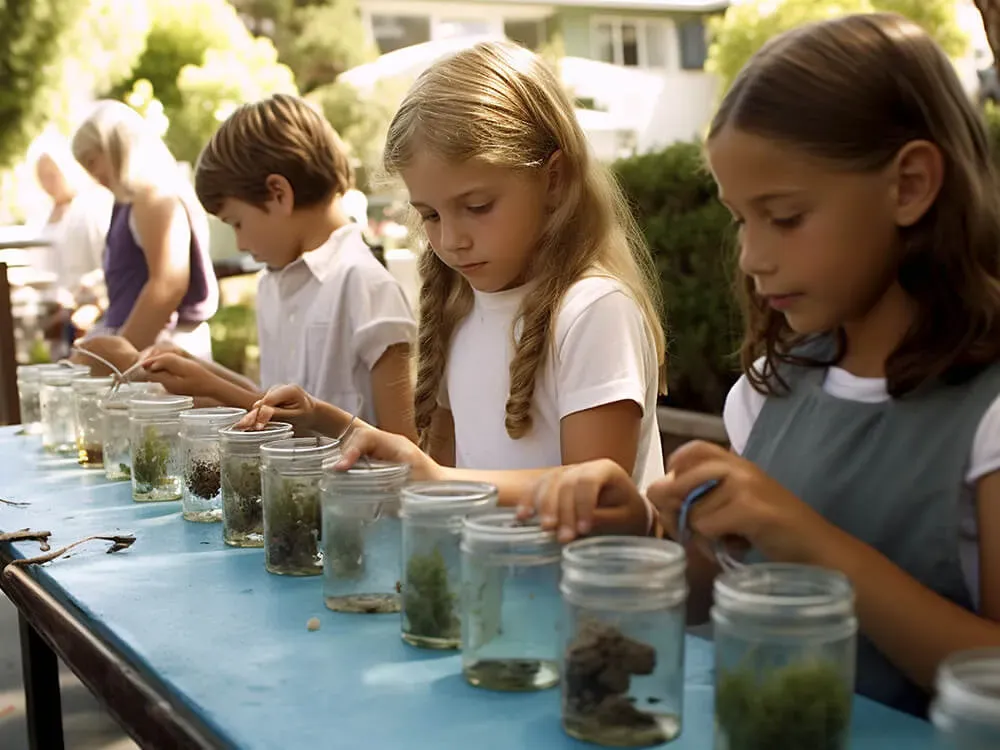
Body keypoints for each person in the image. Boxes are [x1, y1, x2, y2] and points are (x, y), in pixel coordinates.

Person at [525, 13, 1000, 718]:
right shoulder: (768, 392)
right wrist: (636, 532)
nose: (751, 257)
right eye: (740, 219)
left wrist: (803, 536)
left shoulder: (986, 412)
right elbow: (733, 591)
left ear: (909, 185)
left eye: (784, 216)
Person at [246, 41, 667, 539]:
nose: (451, 238)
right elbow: (441, 470)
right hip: (487, 591)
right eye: (430, 214)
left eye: (478, 205)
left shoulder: (594, 310)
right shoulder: (461, 308)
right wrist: (330, 422)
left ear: (553, 180)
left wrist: (441, 479)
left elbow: (599, 494)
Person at [142, 94, 417, 438]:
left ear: (278, 194)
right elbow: (273, 398)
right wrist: (195, 368)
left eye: (237, 222)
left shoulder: (364, 284)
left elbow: (403, 446)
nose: (240, 243)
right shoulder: (272, 284)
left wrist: (213, 386)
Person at [71, 100, 219, 360]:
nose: (93, 174)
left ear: (115, 147)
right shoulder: (129, 204)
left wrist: (118, 359)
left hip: (160, 350)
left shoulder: (154, 199)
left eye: (93, 161)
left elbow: (167, 285)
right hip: (146, 348)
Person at [28, 133, 113, 352]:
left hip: (85, 310)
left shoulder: (90, 209)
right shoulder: (41, 216)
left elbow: (107, 263)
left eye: (52, 175)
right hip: (49, 312)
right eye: (43, 177)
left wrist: (93, 303)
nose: (49, 182)